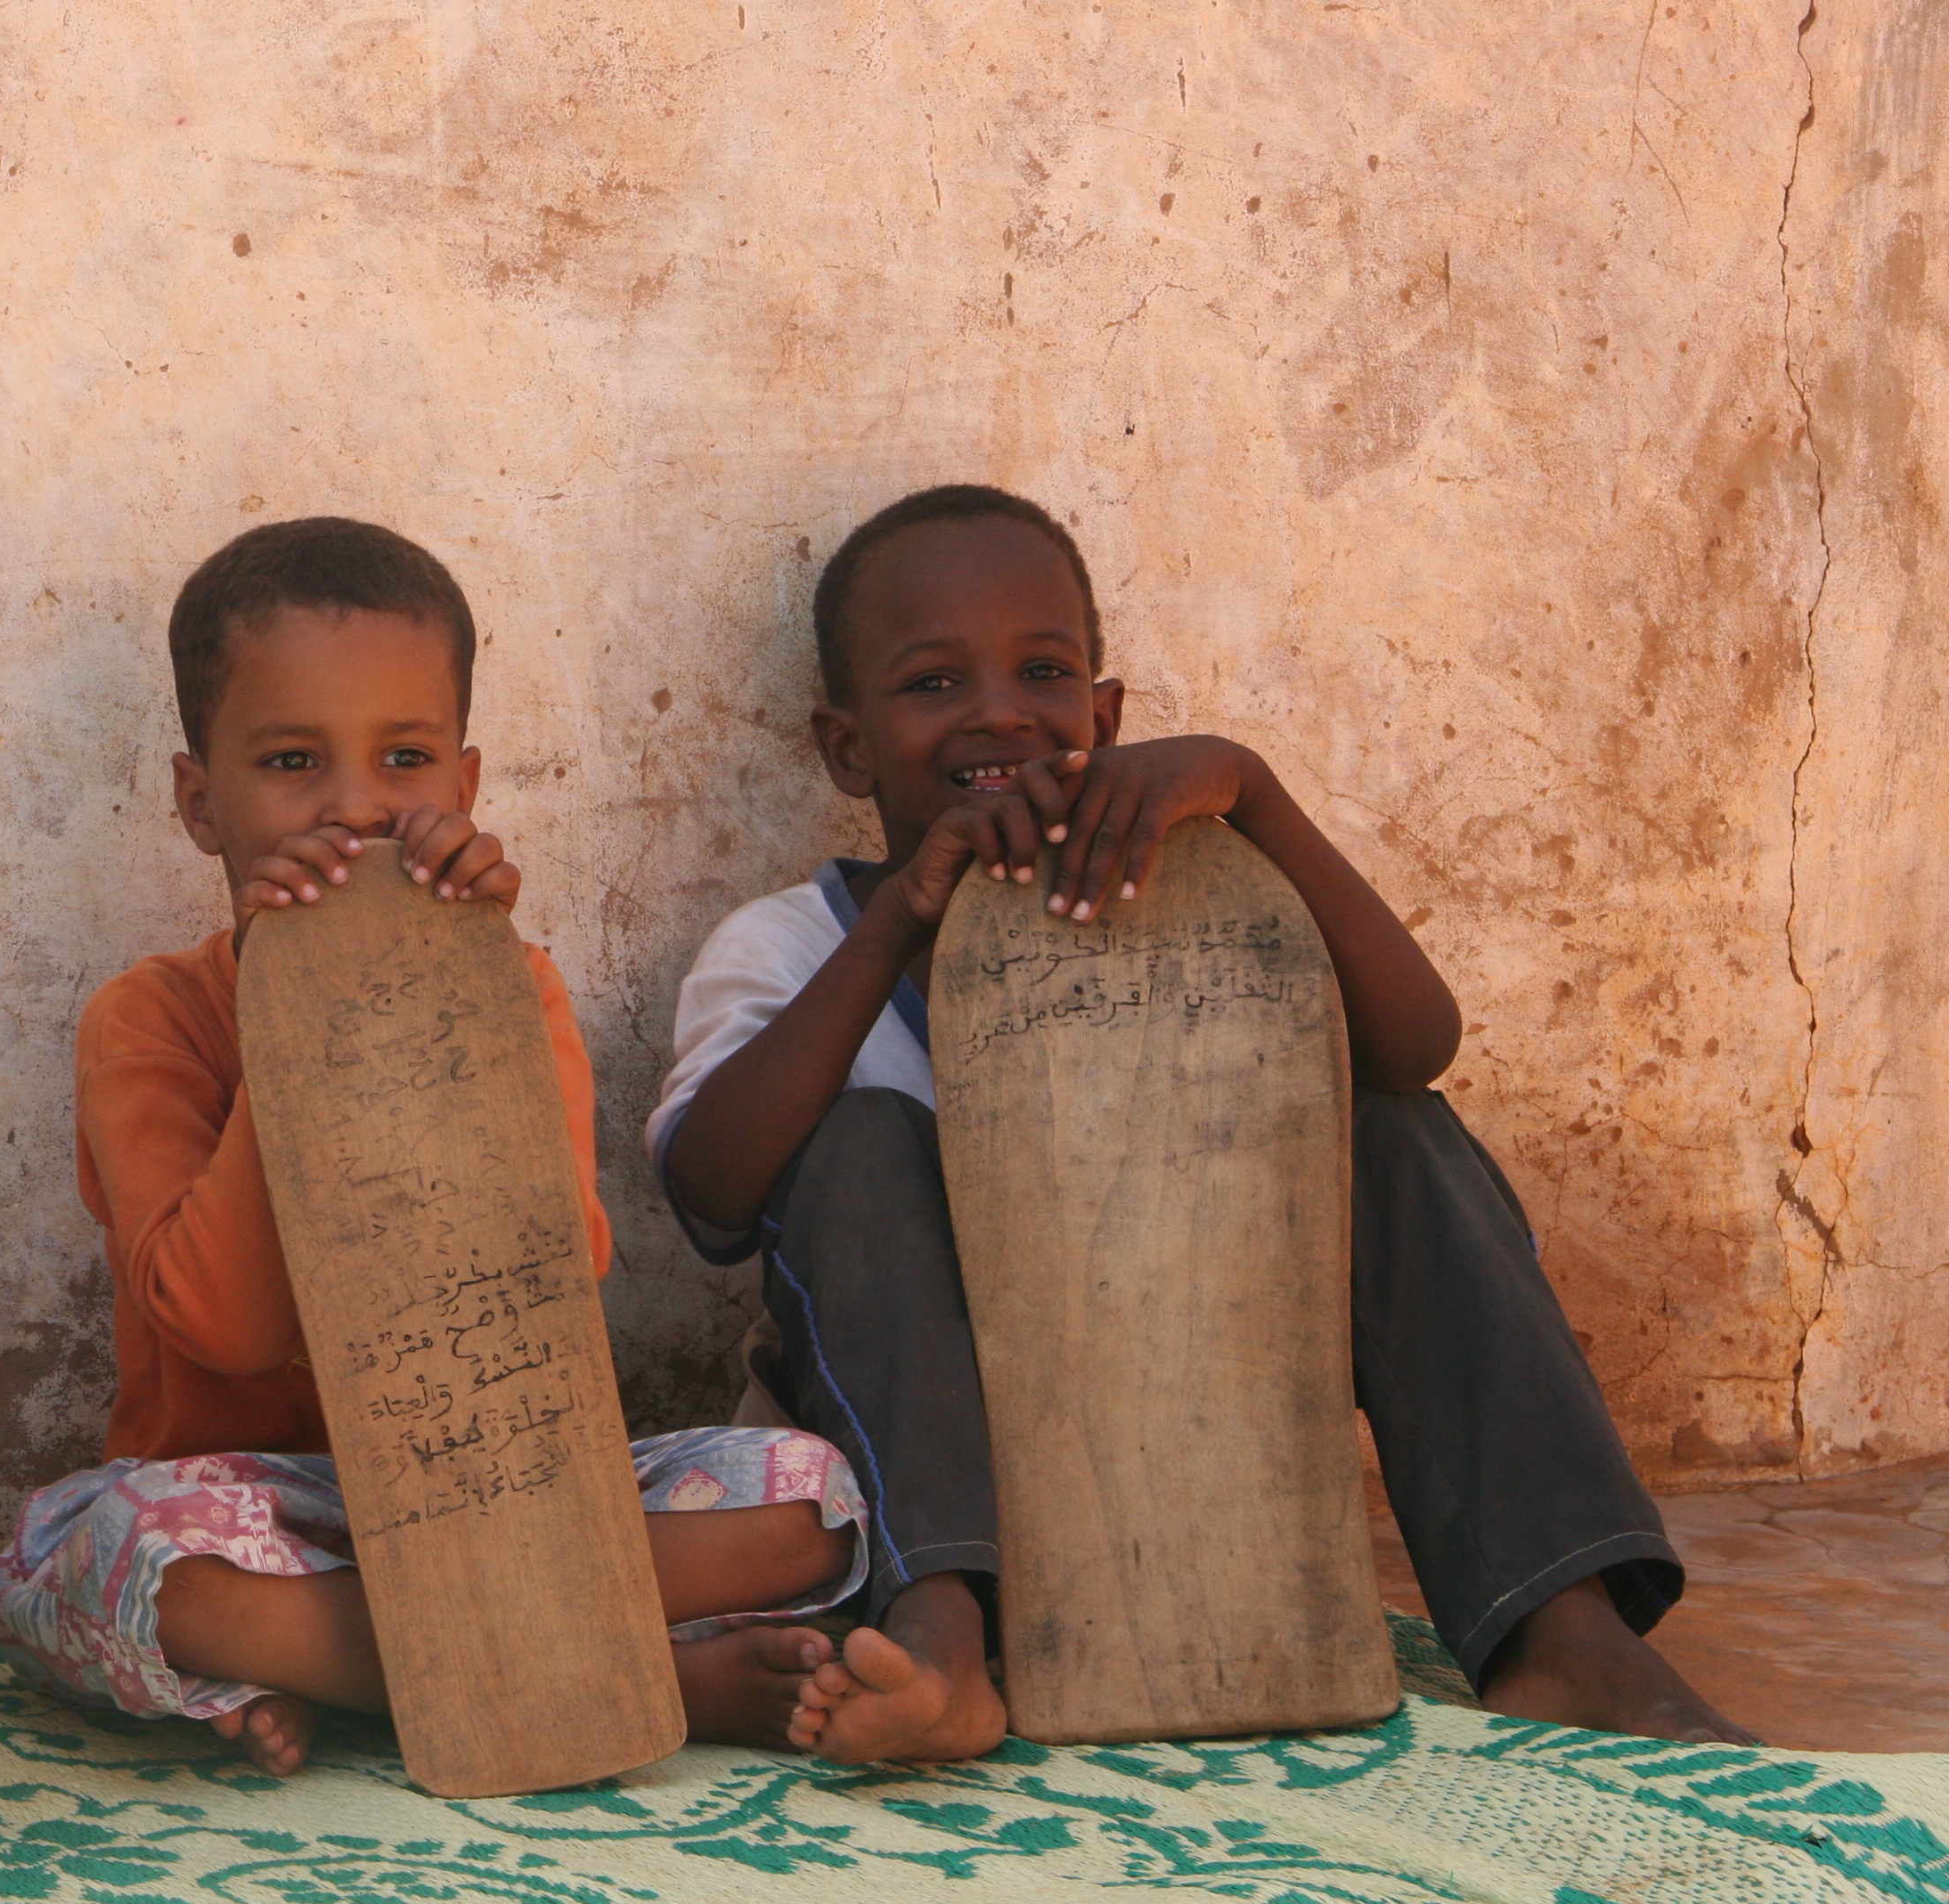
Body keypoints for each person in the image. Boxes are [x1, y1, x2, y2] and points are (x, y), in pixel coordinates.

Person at [652, 482, 1756, 1764]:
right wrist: (904, 914)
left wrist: (1255, 794)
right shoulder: (792, 945)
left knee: (1394, 1132)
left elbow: (1418, 1046)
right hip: (927, 1465)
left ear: (1106, 716)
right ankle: (942, 1639)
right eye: (934, 683)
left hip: (1182, 1411)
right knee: (857, 1138)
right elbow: (714, 1198)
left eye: (1044, 671)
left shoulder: (1196, 908)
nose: (998, 710)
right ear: (848, 748)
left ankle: (1567, 1636)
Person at [0, 517, 868, 1776]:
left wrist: (460, 996)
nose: (354, 806)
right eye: (292, 761)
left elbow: (550, 1288)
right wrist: (302, 1010)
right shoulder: (150, 1021)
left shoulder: (521, 988)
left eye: (405, 758)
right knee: (129, 1568)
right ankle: (606, 1664)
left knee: (808, 1501)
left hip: (499, 1493)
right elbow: (220, 1329)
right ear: (198, 804)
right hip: (263, 1514)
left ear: (464, 787)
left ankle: (345, 1675)